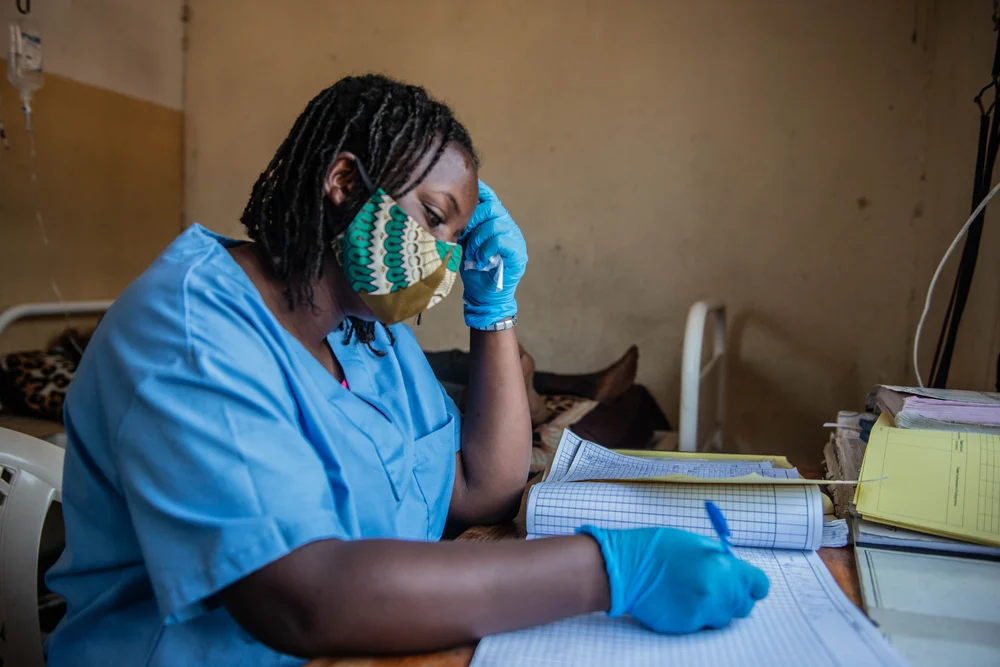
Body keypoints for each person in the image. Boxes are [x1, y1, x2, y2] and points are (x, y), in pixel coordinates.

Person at [44, 74, 769, 666]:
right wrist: (609, 570)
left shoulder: (365, 332)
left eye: (458, 238)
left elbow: (484, 485)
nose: (445, 261)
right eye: (433, 217)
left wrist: (494, 310)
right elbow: (305, 598)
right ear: (341, 180)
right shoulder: (193, 333)